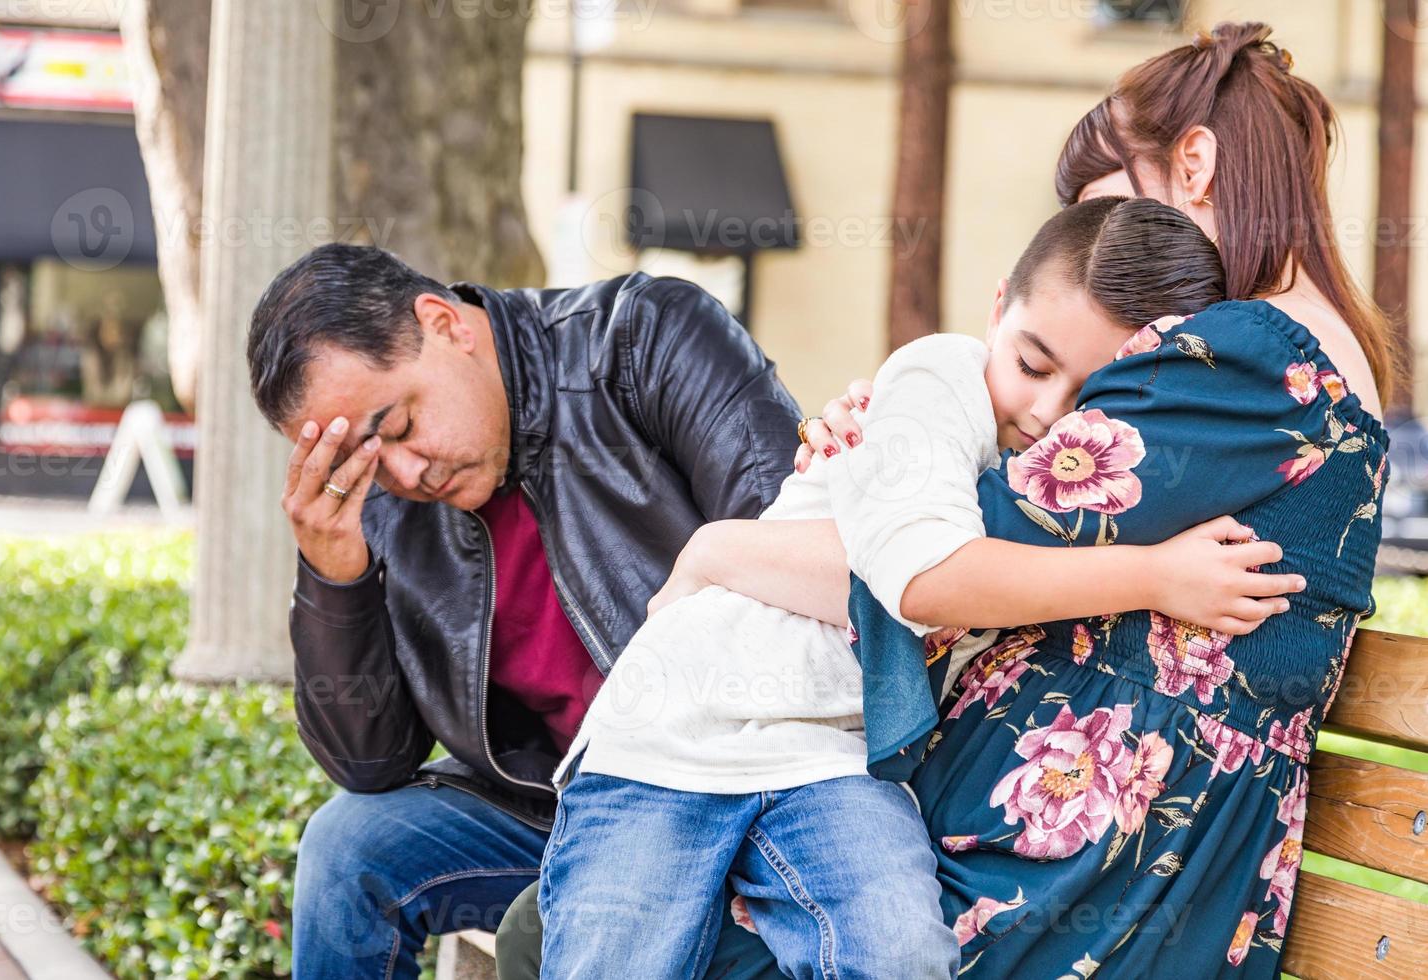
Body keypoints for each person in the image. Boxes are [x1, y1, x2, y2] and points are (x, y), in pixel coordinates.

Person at [495, 22, 1397, 979]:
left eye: (1119, 225)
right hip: (1059, 842)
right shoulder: (1261, 356)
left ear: (1196, 164)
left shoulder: (1242, 358)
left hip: (1063, 876)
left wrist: (720, 550)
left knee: (566, 934)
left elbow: (934, 559)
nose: (1125, 286)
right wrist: (892, 440)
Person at [535, 196, 1305, 980]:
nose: (1046, 413)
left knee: (901, 953)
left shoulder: (1095, 474)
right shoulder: (939, 373)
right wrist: (1155, 575)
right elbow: (923, 577)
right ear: (998, 306)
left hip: (833, 760)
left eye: (1090, 399)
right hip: (678, 730)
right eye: (1032, 366)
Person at [245, 244, 807, 978]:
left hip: (736, 794)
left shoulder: (643, 340)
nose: (406, 475)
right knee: (348, 848)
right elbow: (371, 759)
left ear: (445, 323)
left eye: (403, 425)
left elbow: (792, 568)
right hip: (563, 806)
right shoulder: (387, 501)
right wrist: (333, 574)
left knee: (538, 929)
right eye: (367, 463)